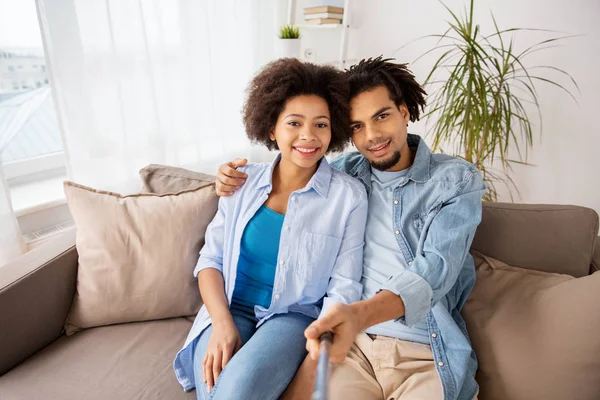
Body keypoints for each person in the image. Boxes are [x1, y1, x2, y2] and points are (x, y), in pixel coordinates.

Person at [215, 57, 487, 400]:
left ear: (405, 111)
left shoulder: (454, 180)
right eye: (356, 126)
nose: (372, 136)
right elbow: (290, 168)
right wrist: (229, 177)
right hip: (352, 350)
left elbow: (435, 269)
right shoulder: (344, 175)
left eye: (382, 116)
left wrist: (357, 316)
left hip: (426, 354)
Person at [172, 58, 368, 400]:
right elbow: (210, 262)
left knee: (236, 392)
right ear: (272, 128)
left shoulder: (348, 197)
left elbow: (345, 283)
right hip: (228, 308)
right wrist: (221, 323)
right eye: (294, 122)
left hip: (292, 319)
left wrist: (325, 336)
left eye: (321, 125)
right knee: (215, 384)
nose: (309, 136)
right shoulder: (241, 183)